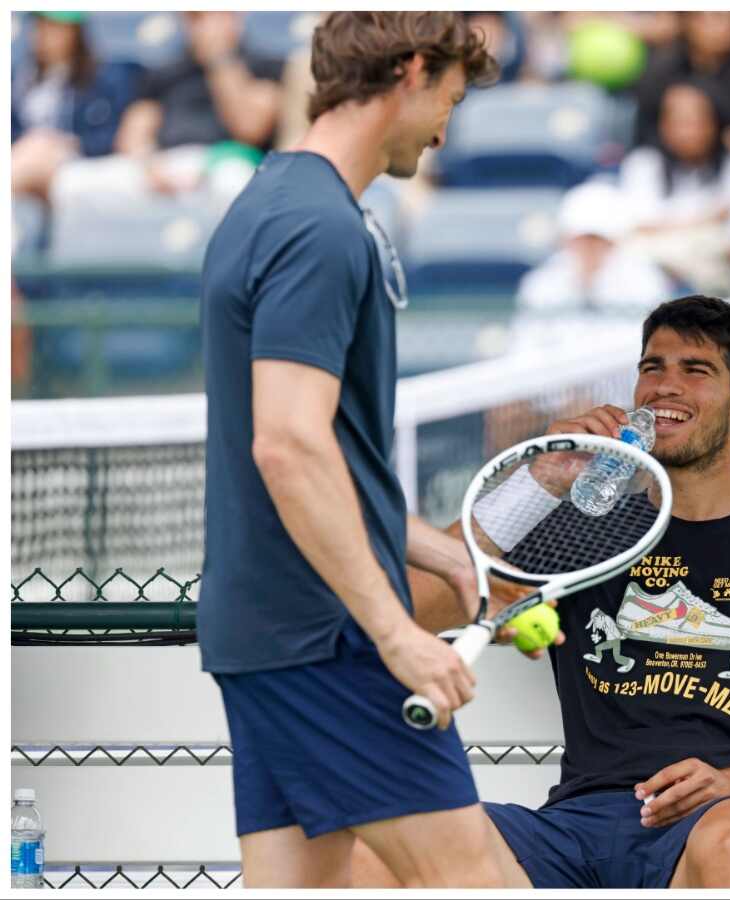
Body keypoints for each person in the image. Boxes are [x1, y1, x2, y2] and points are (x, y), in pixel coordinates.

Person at [353, 294, 730, 888]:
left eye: (695, 370)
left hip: (720, 815)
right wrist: (540, 482)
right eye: (652, 367)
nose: (664, 387)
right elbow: (416, 607)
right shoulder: (577, 529)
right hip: (576, 824)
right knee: (386, 849)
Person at [196, 12, 534, 889]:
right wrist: (394, 632)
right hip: (328, 636)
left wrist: (427, 548)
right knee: (478, 883)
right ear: (412, 71)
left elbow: (317, 448)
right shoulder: (321, 229)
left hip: (266, 632)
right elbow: (287, 446)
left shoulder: (271, 202)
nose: (446, 128)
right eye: (449, 100)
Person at [51, 11, 284, 206]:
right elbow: (134, 133)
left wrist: (220, 59)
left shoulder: (263, 64)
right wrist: (151, 166)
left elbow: (250, 127)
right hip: (166, 163)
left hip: (226, 161)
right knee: (70, 182)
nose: (202, 26)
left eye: (210, 14)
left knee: (234, 184)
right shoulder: (167, 70)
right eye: (194, 17)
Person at [620, 78, 730, 295]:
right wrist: (708, 219)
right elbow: (637, 227)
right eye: (677, 121)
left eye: (696, 120)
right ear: (662, 124)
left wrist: (667, 231)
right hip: (654, 277)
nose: (687, 131)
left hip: (723, 282)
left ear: (715, 122)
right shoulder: (643, 163)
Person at [10, 11, 139, 201]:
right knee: (34, 147)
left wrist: (71, 143)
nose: (43, 35)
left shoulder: (105, 77)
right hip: (27, 156)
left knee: (38, 147)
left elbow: (112, 134)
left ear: (74, 33)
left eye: (53, 28)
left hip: (74, 159)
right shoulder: (20, 76)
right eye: (39, 26)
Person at [514, 179, 674, 317]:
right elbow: (527, 341)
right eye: (581, 239)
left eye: (597, 240)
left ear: (613, 242)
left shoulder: (645, 282)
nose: (588, 248)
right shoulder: (541, 284)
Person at [635, 11, 730, 153]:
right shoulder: (664, 68)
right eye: (713, 17)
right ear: (688, 22)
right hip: (669, 159)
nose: (721, 26)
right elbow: (646, 127)